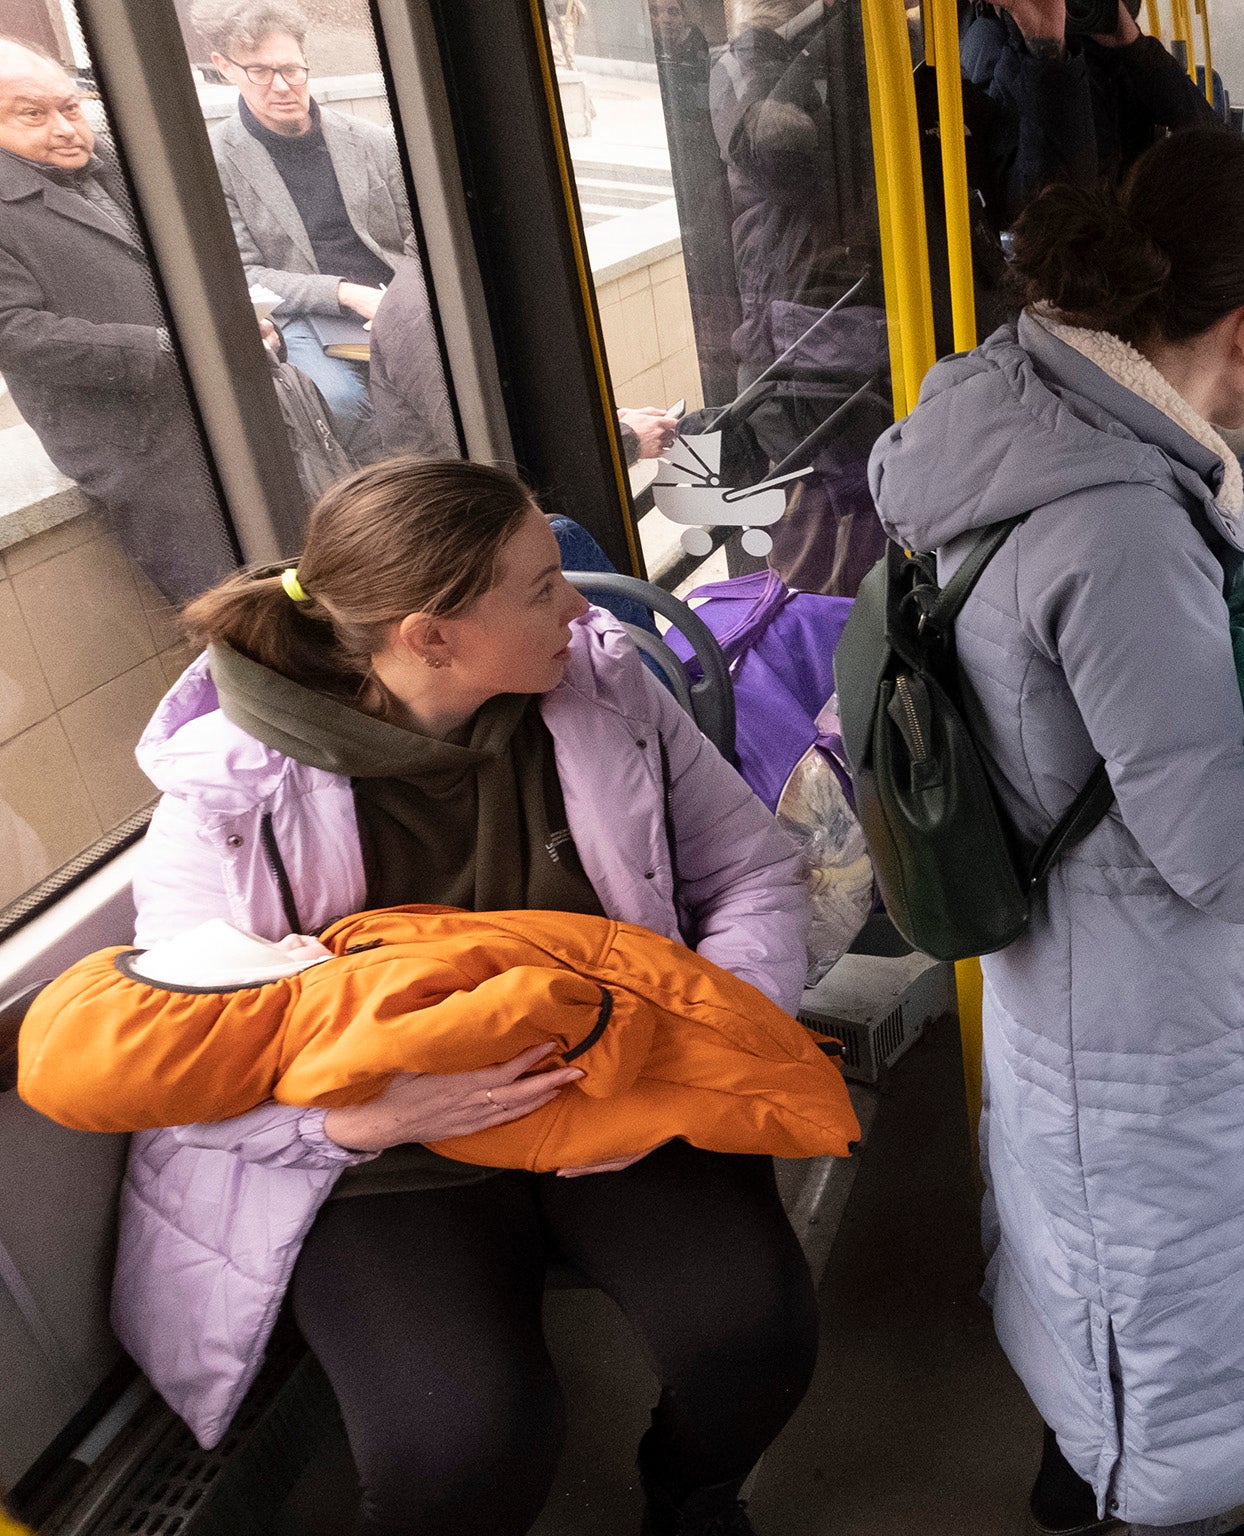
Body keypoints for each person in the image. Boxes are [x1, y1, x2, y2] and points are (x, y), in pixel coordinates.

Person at [868, 126, 1244, 1536]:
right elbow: (1223, 864)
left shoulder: (1000, 411)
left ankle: (1079, 1475)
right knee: (1167, 1302)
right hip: (1148, 1021)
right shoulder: (1121, 530)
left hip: (1057, 967)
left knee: (1086, 1281)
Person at [119, 459, 816, 1536]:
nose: (580, 603)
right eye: (541, 587)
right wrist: (353, 1121)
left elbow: (750, 873)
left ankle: (690, 1498)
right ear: (430, 636)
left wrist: (687, 1039)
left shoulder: (605, 692)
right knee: (464, 1443)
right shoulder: (228, 795)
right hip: (386, 1152)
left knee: (752, 1338)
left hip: (614, 1085)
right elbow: (187, 1043)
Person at [0, 40, 232, 602]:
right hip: (133, 446)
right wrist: (165, 347)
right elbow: (14, 332)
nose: (64, 128)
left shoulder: (114, 169)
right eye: (32, 113)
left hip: (215, 408)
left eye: (71, 107)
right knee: (229, 606)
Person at [710, 0, 893, 595]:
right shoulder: (746, 64)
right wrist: (823, 31)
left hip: (843, 336)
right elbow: (778, 145)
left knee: (866, 546)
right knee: (817, 569)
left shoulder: (827, 61)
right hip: (797, 359)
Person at [191, 0, 416, 459]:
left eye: (292, 69)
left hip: (393, 298)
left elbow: (418, 238)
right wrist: (345, 293)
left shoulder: (372, 141)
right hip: (302, 314)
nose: (281, 86)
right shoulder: (213, 162)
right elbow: (246, 273)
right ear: (224, 67)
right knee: (339, 401)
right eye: (259, 71)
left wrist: (402, 295)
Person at [365, 256, 676, 468]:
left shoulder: (459, 281)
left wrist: (602, 422)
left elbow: (516, 404)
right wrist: (625, 439)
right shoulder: (427, 313)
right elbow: (493, 455)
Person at [960, 0, 1213, 238]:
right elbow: (1037, 217)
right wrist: (1047, 50)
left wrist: (1134, 46)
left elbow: (1217, 156)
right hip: (1088, 264)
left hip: (1136, 251)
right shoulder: (995, 41)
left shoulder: (1120, 54)